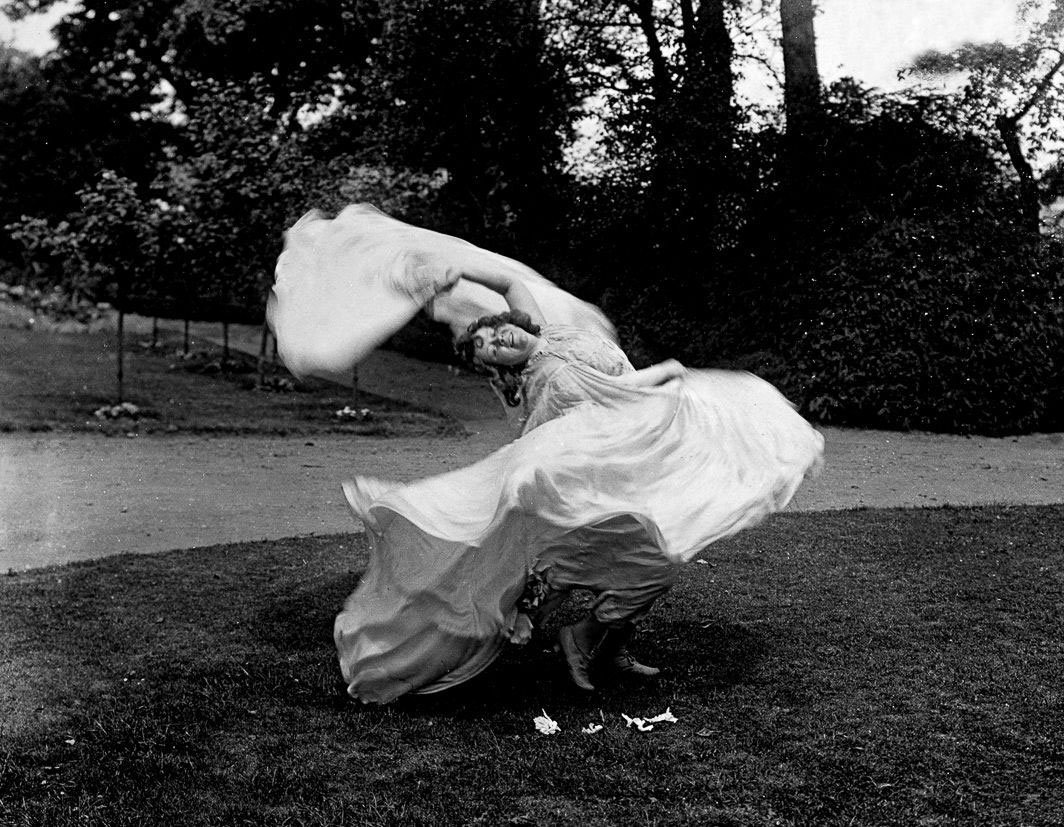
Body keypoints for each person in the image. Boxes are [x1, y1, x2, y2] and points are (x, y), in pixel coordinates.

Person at [334, 265, 825, 703]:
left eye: (495, 333)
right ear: (499, 370)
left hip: (639, 457)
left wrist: (455, 273)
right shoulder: (546, 383)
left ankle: (603, 644)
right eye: (487, 351)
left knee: (657, 555)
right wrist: (662, 375)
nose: (496, 343)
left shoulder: (550, 335)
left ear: (510, 323)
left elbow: (509, 282)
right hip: (605, 479)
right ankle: (579, 636)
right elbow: (583, 421)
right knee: (648, 560)